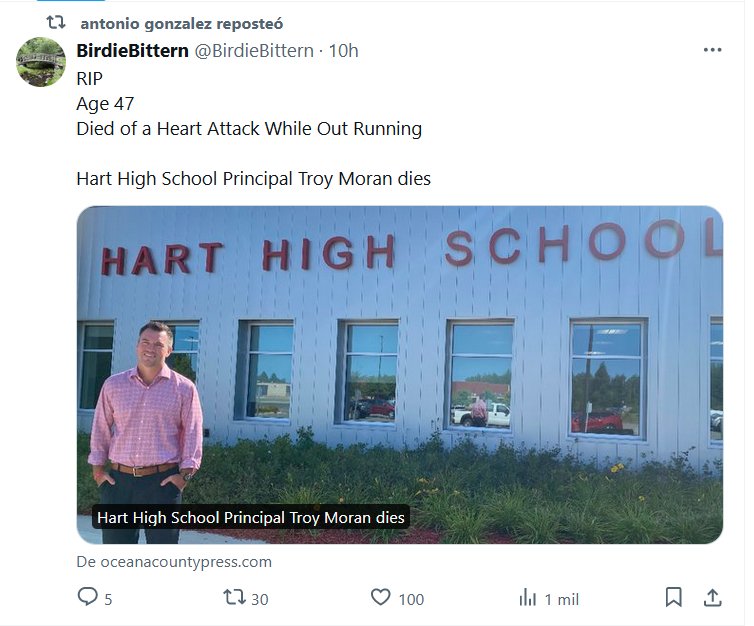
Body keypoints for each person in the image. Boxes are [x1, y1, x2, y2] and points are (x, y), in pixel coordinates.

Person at [88, 321, 203, 544]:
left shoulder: (184, 388)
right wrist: (98, 472)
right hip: (118, 484)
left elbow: (193, 434)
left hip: (163, 484)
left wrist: (184, 477)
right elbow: (100, 429)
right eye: (145, 342)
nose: (150, 348)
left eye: (158, 344)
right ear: (137, 346)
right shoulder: (113, 385)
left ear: (169, 351)